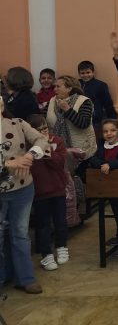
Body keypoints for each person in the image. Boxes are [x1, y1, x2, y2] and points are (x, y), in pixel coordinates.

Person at [1, 98, 52, 295]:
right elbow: (11, 162)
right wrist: (8, 164)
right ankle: (4, 274)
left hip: (22, 189)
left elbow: (41, 139)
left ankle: (25, 278)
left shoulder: (18, 124)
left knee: (20, 233)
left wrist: (30, 156)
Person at [26, 115, 71, 272]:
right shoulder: (28, 146)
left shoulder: (57, 141)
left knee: (60, 221)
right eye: (38, 131)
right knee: (43, 225)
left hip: (57, 188)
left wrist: (45, 150)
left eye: (45, 128)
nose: (43, 133)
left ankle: (61, 246)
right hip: (39, 191)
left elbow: (59, 163)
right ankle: (46, 254)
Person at [88, 119, 118, 256]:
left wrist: (110, 165)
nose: (109, 134)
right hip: (108, 185)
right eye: (105, 131)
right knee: (116, 210)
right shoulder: (102, 147)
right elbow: (93, 160)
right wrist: (103, 164)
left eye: (113, 130)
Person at [45, 75, 97, 162]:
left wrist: (67, 109)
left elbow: (83, 124)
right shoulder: (51, 101)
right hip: (57, 151)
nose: (55, 89)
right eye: (54, 86)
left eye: (58, 86)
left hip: (81, 151)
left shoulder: (84, 101)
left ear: (69, 88)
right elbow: (43, 121)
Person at [77, 61, 117, 129]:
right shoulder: (76, 85)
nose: (85, 75)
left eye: (88, 72)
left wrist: (113, 120)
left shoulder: (101, 85)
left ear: (93, 72)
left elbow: (108, 103)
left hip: (96, 121)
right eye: (82, 73)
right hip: (79, 120)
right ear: (79, 74)